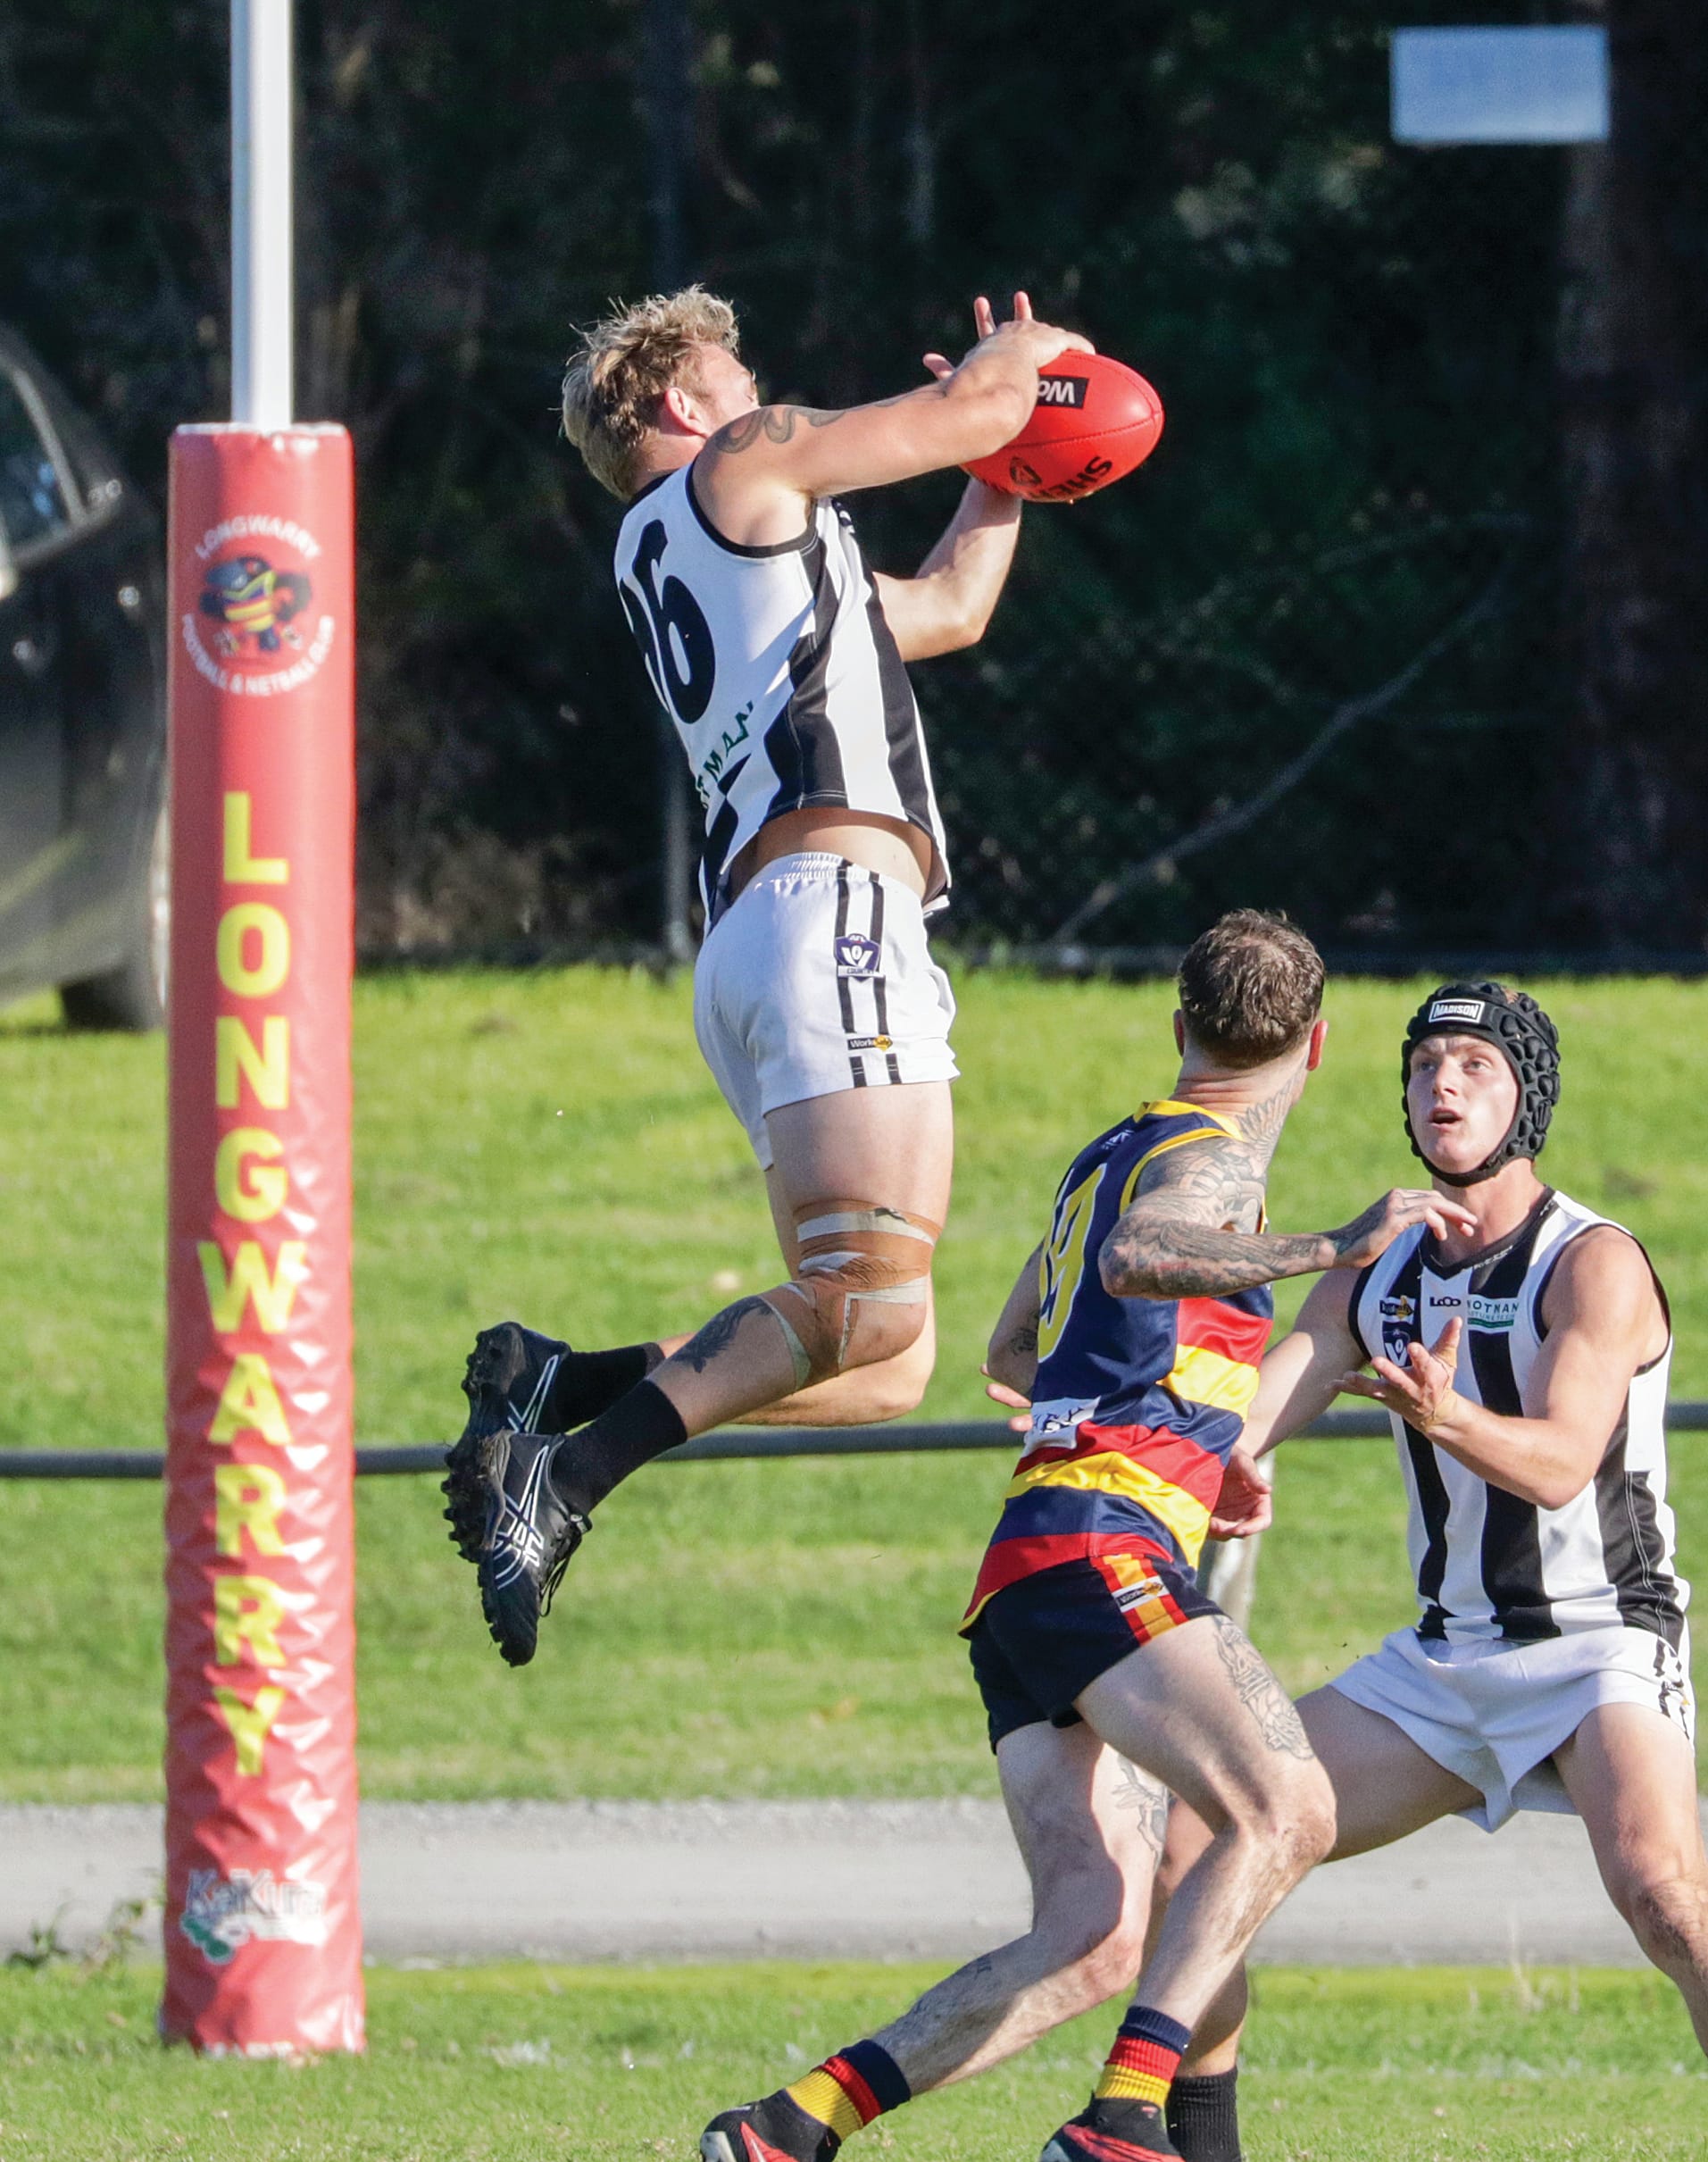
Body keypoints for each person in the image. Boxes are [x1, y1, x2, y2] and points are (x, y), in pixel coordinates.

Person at [699, 911, 1478, 2162]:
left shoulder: (1105, 1152)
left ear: (1178, 1027)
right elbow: (1136, 1255)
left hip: (1029, 1565)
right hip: (1100, 1546)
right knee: (1287, 1808)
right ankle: (1123, 2117)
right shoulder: (1209, 1160)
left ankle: (796, 2124)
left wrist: (1193, 1438)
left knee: (1094, 1927)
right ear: (1318, 1045)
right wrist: (1328, 1245)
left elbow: (1020, 1345)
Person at [440, 285, 1093, 1665]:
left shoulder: (705, 545)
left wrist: (1005, 469)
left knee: (889, 1359)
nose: (767, 389)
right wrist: (1024, 363)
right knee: (861, 1305)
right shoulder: (744, 463)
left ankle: (561, 1388)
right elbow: (977, 399)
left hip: (776, 932)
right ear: (685, 402)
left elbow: (952, 609)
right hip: (827, 909)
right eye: (743, 372)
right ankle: (563, 1482)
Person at [1152, 981, 1707, 2162]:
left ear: (1526, 1096)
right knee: (1202, 1844)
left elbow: (1559, 1464)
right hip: (1442, 1665)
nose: (1440, 1085)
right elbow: (1245, 1419)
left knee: (1666, 1897)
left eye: (1471, 1064)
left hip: (1600, 1639)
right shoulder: (1377, 1264)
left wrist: (1444, 1415)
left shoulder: (1590, 1262)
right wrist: (1106, 1432)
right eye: (1422, 1066)